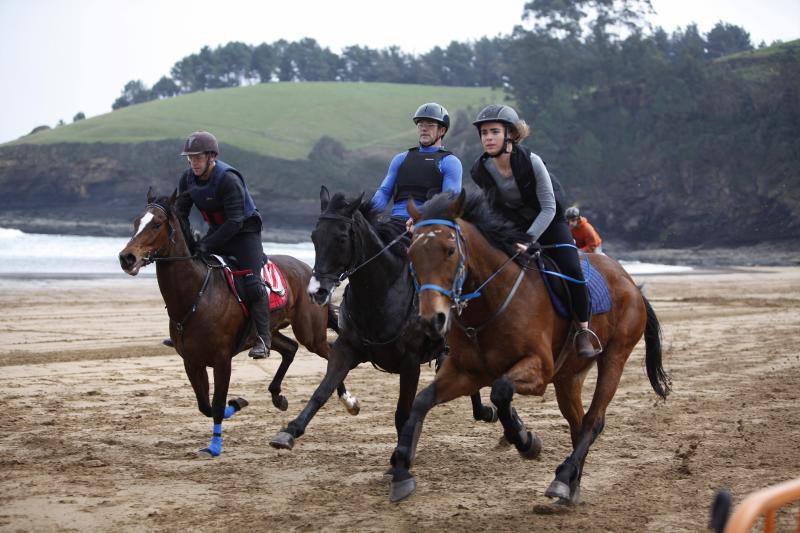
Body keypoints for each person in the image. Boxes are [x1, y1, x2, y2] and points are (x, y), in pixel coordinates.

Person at [469, 105, 600, 358]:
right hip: (514, 226)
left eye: (494, 131)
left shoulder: (531, 161)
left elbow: (549, 207)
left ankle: (583, 331)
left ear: (511, 135)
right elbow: (493, 209)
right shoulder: (480, 169)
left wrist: (529, 240)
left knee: (572, 269)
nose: (487, 137)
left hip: (551, 224)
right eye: (484, 132)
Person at [164, 131, 271, 359]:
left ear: (212, 157)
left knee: (252, 283)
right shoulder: (188, 179)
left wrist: (206, 243)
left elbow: (235, 221)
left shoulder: (228, 179)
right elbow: (181, 213)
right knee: (189, 271)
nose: (193, 163)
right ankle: (183, 330)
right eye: (190, 158)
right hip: (218, 231)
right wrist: (187, 241)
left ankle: (263, 338)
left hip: (245, 233)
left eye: (198, 158)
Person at [370, 103, 463, 229]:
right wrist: (368, 213)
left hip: (426, 225)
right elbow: (384, 192)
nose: (424, 129)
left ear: (442, 130)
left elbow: (448, 201)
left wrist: (420, 216)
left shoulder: (450, 162)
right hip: (395, 223)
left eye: (430, 125)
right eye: (421, 125)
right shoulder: (401, 158)